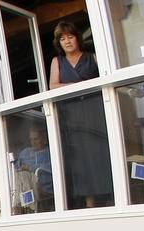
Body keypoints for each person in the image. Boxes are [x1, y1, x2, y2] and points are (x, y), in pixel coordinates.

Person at [49, 21, 110, 208]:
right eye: (62, 38)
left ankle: (109, 197)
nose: (67, 41)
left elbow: (106, 77)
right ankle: (89, 203)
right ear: (59, 43)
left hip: (95, 111)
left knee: (100, 153)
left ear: (77, 38)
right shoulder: (57, 61)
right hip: (72, 115)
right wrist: (80, 86)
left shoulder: (93, 57)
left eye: (70, 36)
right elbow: (53, 86)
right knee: (80, 159)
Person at [15, 125, 54, 210]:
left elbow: (51, 168)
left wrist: (30, 168)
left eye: (36, 139)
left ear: (43, 139)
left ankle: (30, 209)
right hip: (27, 188)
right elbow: (16, 168)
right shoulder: (25, 153)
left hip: (45, 189)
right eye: (31, 139)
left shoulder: (50, 153)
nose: (33, 142)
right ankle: (27, 209)